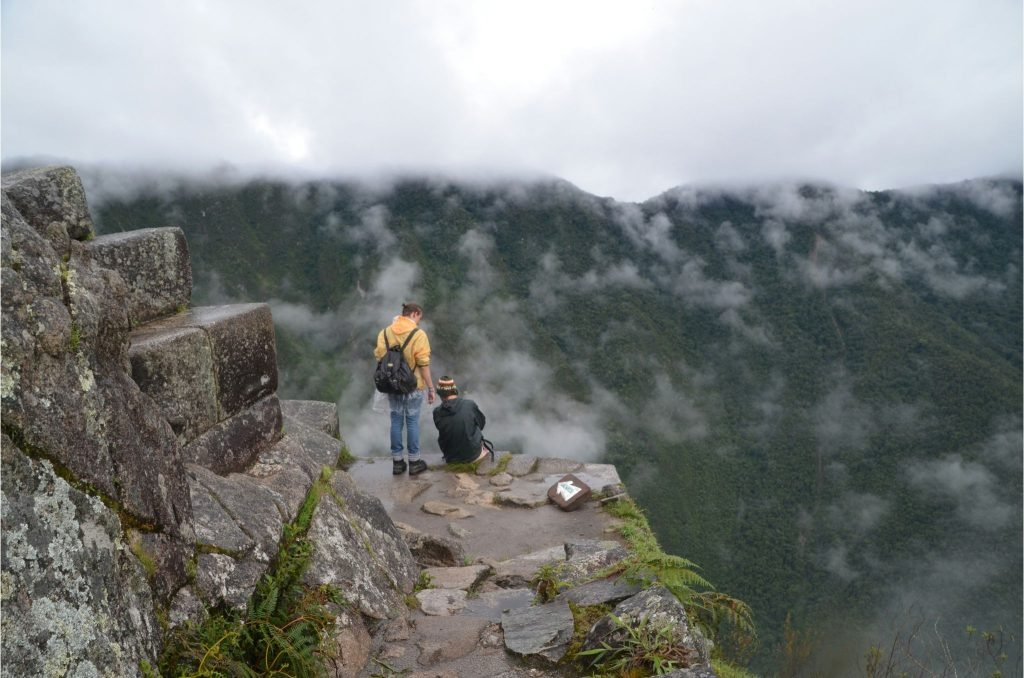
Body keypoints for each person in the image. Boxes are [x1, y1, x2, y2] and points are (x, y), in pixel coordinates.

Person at [375, 303, 435, 475]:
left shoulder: (385, 332)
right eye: (419, 318)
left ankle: (397, 462)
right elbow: (424, 364)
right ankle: (414, 462)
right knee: (412, 422)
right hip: (413, 386)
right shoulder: (419, 334)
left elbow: (379, 356)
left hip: (392, 385)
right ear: (415, 314)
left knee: (395, 421)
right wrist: (431, 388)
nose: (419, 322)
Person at [432, 375, 490, 464]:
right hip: (473, 456)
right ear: (454, 390)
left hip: (451, 458)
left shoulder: (436, 412)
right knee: (475, 424)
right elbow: (482, 424)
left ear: (440, 394)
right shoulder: (469, 405)